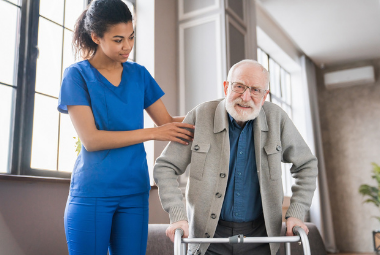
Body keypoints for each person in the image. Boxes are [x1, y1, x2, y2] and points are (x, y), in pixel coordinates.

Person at [57, 0, 194, 254]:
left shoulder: (139, 74)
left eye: (131, 37)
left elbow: (168, 123)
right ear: (96, 37)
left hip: (134, 191)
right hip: (92, 192)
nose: (128, 46)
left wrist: (215, 115)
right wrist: (153, 133)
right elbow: (91, 140)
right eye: (118, 40)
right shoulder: (76, 76)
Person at [153, 59, 318, 255]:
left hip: (262, 238)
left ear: (265, 95)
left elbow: (306, 164)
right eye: (239, 87)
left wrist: (296, 212)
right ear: (226, 87)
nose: (246, 97)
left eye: (255, 90)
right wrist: (178, 215)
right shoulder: (201, 114)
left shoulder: (277, 118)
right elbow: (165, 166)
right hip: (207, 239)